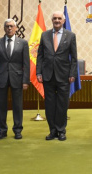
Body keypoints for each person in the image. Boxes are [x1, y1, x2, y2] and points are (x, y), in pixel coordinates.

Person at [36, 11, 78, 141]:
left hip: (64, 76)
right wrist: (38, 72)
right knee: (49, 105)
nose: (57, 20)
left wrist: (72, 74)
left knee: (62, 104)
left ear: (63, 21)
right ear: (52, 20)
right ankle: (52, 131)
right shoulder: (44, 35)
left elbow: (74, 58)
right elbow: (40, 56)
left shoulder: (70, 35)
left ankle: (61, 131)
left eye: (59, 18)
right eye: (55, 18)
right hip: (47, 75)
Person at [0, 19, 30, 140]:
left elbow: (26, 64)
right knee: (1, 106)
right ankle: (2, 130)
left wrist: (25, 81)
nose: (9, 28)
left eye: (12, 26)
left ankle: (17, 130)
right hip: (1, 78)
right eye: (7, 26)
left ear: (16, 28)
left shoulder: (23, 43)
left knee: (17, 106)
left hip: (17, 79)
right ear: (4, 28)